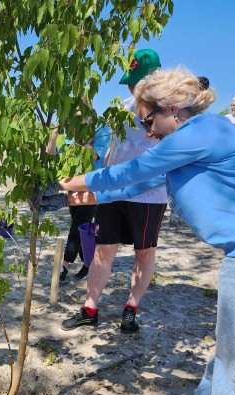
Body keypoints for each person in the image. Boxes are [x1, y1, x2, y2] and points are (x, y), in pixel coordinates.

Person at [61, 67, 235, 395]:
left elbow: (131, 171)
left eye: (147, 120)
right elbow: (138, 183)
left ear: (173, 110)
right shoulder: (204, 135)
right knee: (233, 347)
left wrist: (77, 181)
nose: (146, 130)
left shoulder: (198, 134)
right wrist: (94, 194)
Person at [61, 49, 167, 334]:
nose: (132, 88)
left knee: (144, 253)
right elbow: (108, 148)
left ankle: (131, 309)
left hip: (147, 196)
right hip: (112, 191)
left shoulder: (169, 112)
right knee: (102, 250)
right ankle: (90, 309)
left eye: (137, 81)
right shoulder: (122, 107)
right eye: (130, 82)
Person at [46, 102, 111, 282]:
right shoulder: (69, 131)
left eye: (80, 111)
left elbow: (96, 155)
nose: (77, 116)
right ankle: (89, 263)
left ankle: (64, 266)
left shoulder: (101, 128)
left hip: (92, 185)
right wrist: (55, 132)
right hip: (72, 184)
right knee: (84, 228)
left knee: (77, 225)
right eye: (73, 112)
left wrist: (85, 141)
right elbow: (52, 152)